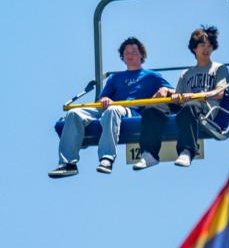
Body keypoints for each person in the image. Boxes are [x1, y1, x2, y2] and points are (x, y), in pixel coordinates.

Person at [49, 37, 172, 178]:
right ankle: (68, 163)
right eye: (127, 53)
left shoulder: (152, 76)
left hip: (131, 111)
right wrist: (105, 99)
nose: (130, 55)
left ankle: (107, 158)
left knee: (113, 110)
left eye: (134, 52)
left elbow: (175, 92)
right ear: (123, 57)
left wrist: (164, 89)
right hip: (110, 108)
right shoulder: (114, 78)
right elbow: (102, 98)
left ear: (141, 55)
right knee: (74, 113)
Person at [134, 25, 229, 170]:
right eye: (202, 45)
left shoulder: (219, 68)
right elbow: (179, 96)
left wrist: (194, 96)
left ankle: (187, 151)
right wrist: (168, 91)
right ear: (194, 49)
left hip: (205, 108)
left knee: (190, 106)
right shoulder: (186, 73)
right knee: (152, 109)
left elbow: (220, 92)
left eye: (210, 46)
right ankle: (149, 154)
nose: (206, 49)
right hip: (186, 105)